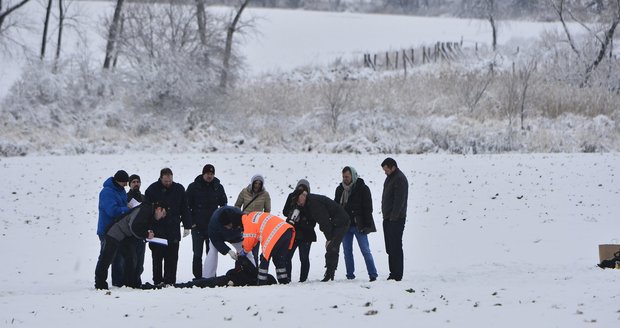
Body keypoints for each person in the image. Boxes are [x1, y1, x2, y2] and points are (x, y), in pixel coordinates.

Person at [94, 201, 167, 290]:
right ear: (158, 209)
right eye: (163, 214)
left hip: (124, 237)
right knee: (106, 259)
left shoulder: (148, 211)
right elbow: (134, 226)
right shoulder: (146, 209)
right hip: (113, 233)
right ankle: (100, 284)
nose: (162, 217)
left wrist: (147, 232)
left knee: (130, 259)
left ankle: (129, 283)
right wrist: (146, 234)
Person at [144, 168, 192, 286]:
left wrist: (187, 225)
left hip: (173, 228)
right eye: (166, 181)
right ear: (161, 178)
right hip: (157, 230)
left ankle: (170, 281)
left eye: (170, 181)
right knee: (157, 257)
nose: (168, 183)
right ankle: (158, 281)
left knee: (172, 257)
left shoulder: (179, 189)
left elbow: (184, 208)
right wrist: (148, 228)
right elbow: (146, 212)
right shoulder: (151, 190)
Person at [292, 189, 349, 282]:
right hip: (334, 222)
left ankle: (330, 273)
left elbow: (324, 221)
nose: (299, 203)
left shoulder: (313, 203)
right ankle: (330, 272)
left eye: (298, 200)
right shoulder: (308, 202)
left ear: (302, 196)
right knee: (332, 247)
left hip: (341, 221)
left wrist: (329, 238)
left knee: (332, 246)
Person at [334, 166, 378, 282]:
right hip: (345, 226)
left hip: (359, 225)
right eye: (343, 177)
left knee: (365, 250)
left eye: (347, 176)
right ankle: (350, 275)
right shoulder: (340, 189)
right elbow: (335, 207)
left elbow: (368, 208)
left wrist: (368, 225)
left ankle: (373, 274)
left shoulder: (363, 188)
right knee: (347, 251)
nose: (345, 179)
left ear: (353, 176)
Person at [186, 164, 227, 279]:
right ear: (203, 174)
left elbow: (223, 205)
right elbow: (186, 206)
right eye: (207, 174)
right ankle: (198, 277)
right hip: (197, 226)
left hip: (212, 226)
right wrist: (191, 223)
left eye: (212, 174)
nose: (210, 176)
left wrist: (221, 222)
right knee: (197, 254)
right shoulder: (193, 187)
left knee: (212, 254)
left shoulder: (218, 187)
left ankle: (211, 276)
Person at [96, 170, 131, 287]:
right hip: (107, 230)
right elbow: (112, 210)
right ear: (118, 181)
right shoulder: (107, 192)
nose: (126, 185)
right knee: (105, 258)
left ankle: (118, 282)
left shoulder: (121, 191)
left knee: (118, 257)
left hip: (118, 230)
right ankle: (100, 282)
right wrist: (127, 209)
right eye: (124, 183)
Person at [239, 212, 295, 285]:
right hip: (286, 230)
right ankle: (283, 281)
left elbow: (248, 242)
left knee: (264, 259)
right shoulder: (253, 215)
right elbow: (254, 238)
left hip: (275, 234)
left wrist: (244, 251)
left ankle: (261, 283)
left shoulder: (248, 223)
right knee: (279, 259)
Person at [203, 206, 255, 278]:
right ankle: (207, 277)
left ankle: (253, 273)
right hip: (219, 237)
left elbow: (248, 229)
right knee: (212, 252)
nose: (228, 228)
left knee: (248, 252)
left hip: (236, 236)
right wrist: (228, 251)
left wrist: (245, 243)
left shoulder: (240, 216)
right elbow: (215, 240)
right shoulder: (214, 223)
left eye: (229, 225)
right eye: (226, 226)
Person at [282, 179, 316, 282]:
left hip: (306, 234)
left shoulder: (311, 200)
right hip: (293, 233)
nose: (302, 193)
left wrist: (302, 207)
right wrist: (295, 207)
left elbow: (313, 218)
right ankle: (287, 278)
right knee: (287, 256)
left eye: (304, 190)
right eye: (299, 190)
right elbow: (285, 211)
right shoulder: (291, 197)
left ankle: (303, 279)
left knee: (304, 257)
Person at [381, 157, 409, 281]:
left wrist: (393, 218)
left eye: (386, 169)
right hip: (388, 218)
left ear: (393, 167)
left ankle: (397, 274)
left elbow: (399, 201)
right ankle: (392, 273)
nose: (385, 172)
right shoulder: (390, 178)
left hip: (396, 220)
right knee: (390, 247)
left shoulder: (399, 179)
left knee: (396, 246)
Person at [234, 174, 271, 263]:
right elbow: (237, 205)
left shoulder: (265, 194)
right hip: (244, 224)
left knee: (254, 251)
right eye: (256, 183)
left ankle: (253, 271)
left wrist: (262, 222)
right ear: (252, 183)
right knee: (242, 248)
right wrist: (240, 217)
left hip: (257, 225)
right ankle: (240, 269)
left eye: (259, 183)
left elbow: (267, 210)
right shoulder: (244, 191)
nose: (257, 185)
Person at [174, 256, 276, 288]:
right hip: (230, 279)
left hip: (229, 280)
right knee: (205, 282)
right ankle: (183, 285)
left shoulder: (255, 276)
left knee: (205, 282)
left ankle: (181, 285)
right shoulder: (255, 275)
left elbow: (241, 272)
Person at [126, 174, 147, 286]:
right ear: (129, 184)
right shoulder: (126, 198)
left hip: (141, 234)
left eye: (138, 182)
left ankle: (137, 280)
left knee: (140, 260)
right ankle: (130, 282)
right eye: (133, 182)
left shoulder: (144, 198)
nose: (136, 184)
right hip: (129, 234)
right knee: (131, 259)